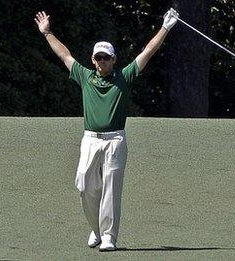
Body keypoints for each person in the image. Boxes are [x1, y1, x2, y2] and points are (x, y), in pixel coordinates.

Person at [34, 9, 179, 251]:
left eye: (106, 58)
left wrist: (165, 27)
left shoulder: (124, 76)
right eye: (98, 58)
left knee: (111, 188)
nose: (102, 61)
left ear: (114, 60)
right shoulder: (84, 76)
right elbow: (64, 55)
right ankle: (97, 229)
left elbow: (148, 52)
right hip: (90, 140)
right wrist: (47, 32)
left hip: (115, 140)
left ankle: (109, 237)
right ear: (93, 60)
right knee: (84, 185)